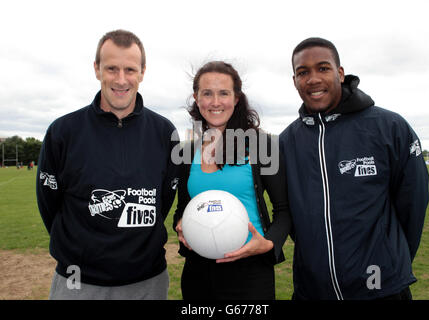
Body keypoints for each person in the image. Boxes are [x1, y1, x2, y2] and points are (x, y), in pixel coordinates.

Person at [279, 37, 429, 300]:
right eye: (303, 72)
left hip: (381, 289)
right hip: (312, 290)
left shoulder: (389, 127)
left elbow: (412, 207)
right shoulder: (286, 141)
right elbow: (290, 215)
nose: (313, 79)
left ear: (340, 73)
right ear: (294, 81)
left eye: (323, 68)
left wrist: (388, 257)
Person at [36, 30, 179, 300]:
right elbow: (49, 205)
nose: (121, 79)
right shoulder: (63, 132)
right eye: (112, 68)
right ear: (96, 69)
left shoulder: (165, 132)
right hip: (78, 280)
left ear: (143, 72)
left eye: (130, 69)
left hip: (147, 281)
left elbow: (164, 201)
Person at [173, 61, 291, 300]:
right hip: (198, 271)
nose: (215, 102)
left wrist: (268, 244)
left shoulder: (261, 145)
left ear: (236, 98)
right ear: (197, 98)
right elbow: (182, 209)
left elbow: (284, 210)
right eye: (207, 93)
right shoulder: (188, 151)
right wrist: (179, 224)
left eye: (224, 93)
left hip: (250, 274)